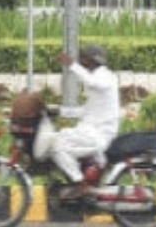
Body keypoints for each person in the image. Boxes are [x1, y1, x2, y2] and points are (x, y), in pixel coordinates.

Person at [52, 42, 120, 200]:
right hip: (92, 131)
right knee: (61, 137)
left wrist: (72, 65)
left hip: (98, 134)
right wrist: (59, 111)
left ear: (93, 60)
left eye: (84, 58)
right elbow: (85, 111)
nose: (82, 60)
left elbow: (91, 81)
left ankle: (80, 184)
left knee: (56, 145)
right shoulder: (97, 80)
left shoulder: (104, 77)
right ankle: (78, 179)